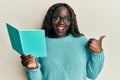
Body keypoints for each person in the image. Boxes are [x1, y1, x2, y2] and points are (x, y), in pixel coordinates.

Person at [20, 3, 105, 80]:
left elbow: (92, 74)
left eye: (66, 19)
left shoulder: (81, 41)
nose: (61, 22)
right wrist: (33, 68)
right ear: (50, 19)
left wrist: (98, 52)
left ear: (71, 21)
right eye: (57, 18)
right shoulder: (39, 43)